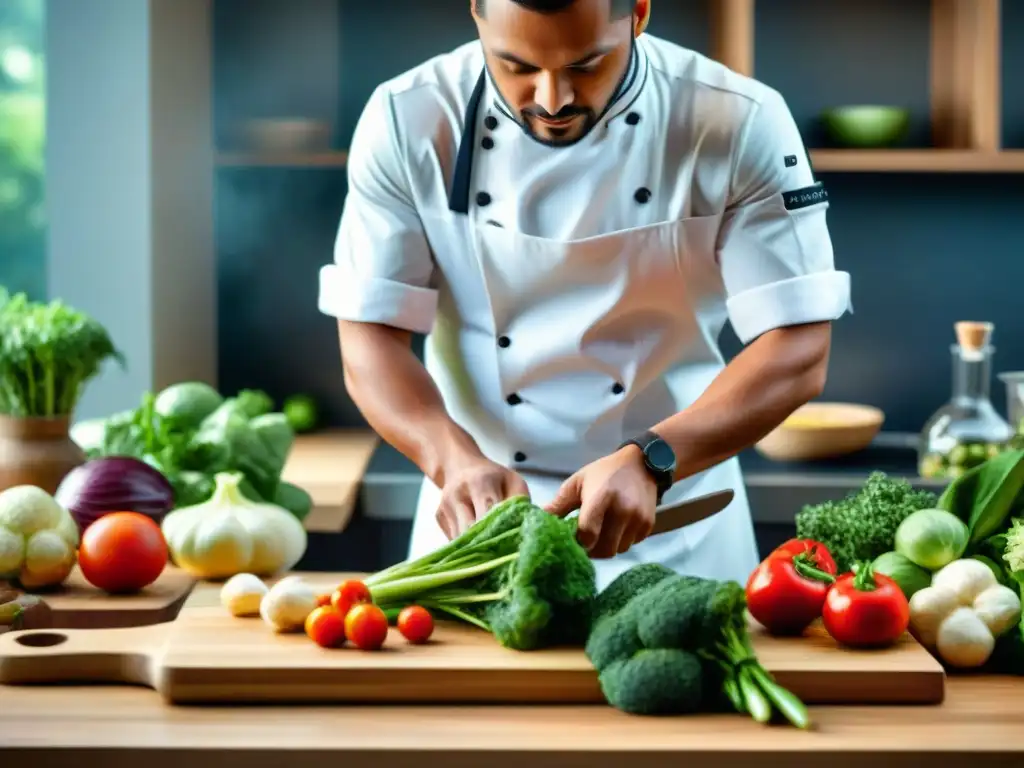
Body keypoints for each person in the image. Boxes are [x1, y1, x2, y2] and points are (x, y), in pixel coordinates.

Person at [318, 0, 851, 590]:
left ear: (640, 13)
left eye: (587, 64)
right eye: (515, 65)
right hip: (477, 529)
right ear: (476, 12)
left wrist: (654, 460)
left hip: (673, 520)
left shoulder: (737, 119)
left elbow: (798, 349)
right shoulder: (409, 118)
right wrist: (451, 460)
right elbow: (368, 340)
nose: (551, 99)